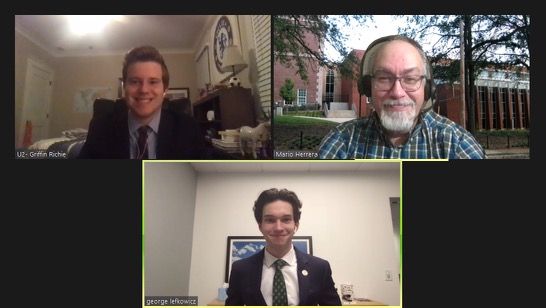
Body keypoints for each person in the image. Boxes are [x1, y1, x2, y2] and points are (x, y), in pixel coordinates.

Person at [318, 35, 486, 159]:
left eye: (411, 79)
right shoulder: (341, 141)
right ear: (368, 87)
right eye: (384, 78)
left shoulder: (456, 144)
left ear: (427, 89)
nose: (397, 92)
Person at [77, 45, 210, 159]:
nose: (144, 90)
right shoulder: (100, 127)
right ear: (125, 88)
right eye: (135, 81)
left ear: (165, 90)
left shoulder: (188, 128)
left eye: (153, 82)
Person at [225, 188, 341, 306]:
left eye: (286, 219)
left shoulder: (319, 268)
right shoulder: (240, 270)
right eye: (270, 220)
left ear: (296, 225)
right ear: (260, 226)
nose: (278, 228)